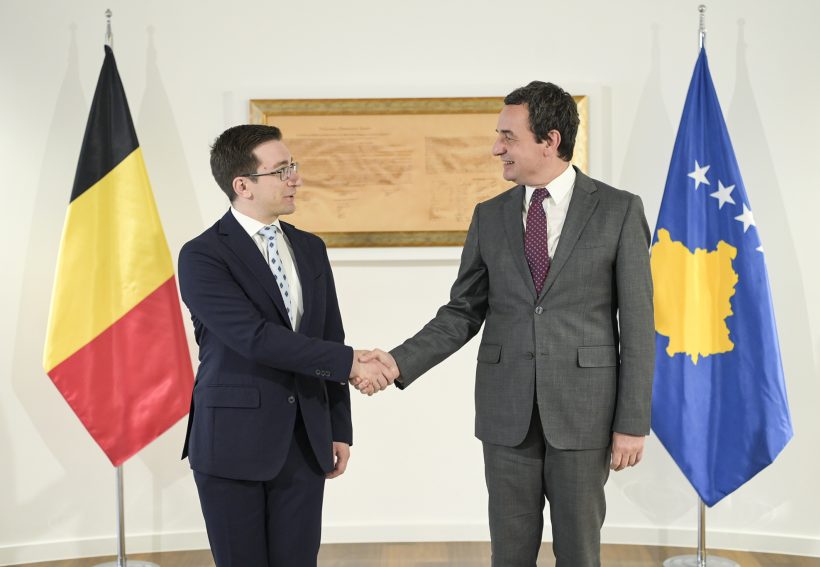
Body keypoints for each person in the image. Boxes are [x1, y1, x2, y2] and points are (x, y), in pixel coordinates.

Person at [357, 81, 655, 566]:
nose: (497, 148)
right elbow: (462, 311)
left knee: (579, 553)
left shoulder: (619, 210)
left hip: (584, 414)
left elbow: (639, 325)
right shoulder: (489, 216)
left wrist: (632, 422)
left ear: (550, 140)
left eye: (508, 137)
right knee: (510, 554)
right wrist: (394, 362)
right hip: (506, 415)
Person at [178, 124, 391, 567]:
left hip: (305, 438)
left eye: (293, 166)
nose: (296, 178)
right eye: (281, 170)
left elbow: (329, 336)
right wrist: (352, 363)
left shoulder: (310, 248)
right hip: (232, 441)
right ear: (243, 186)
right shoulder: (202, 255)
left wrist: (338, 426)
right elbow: (254, 338)